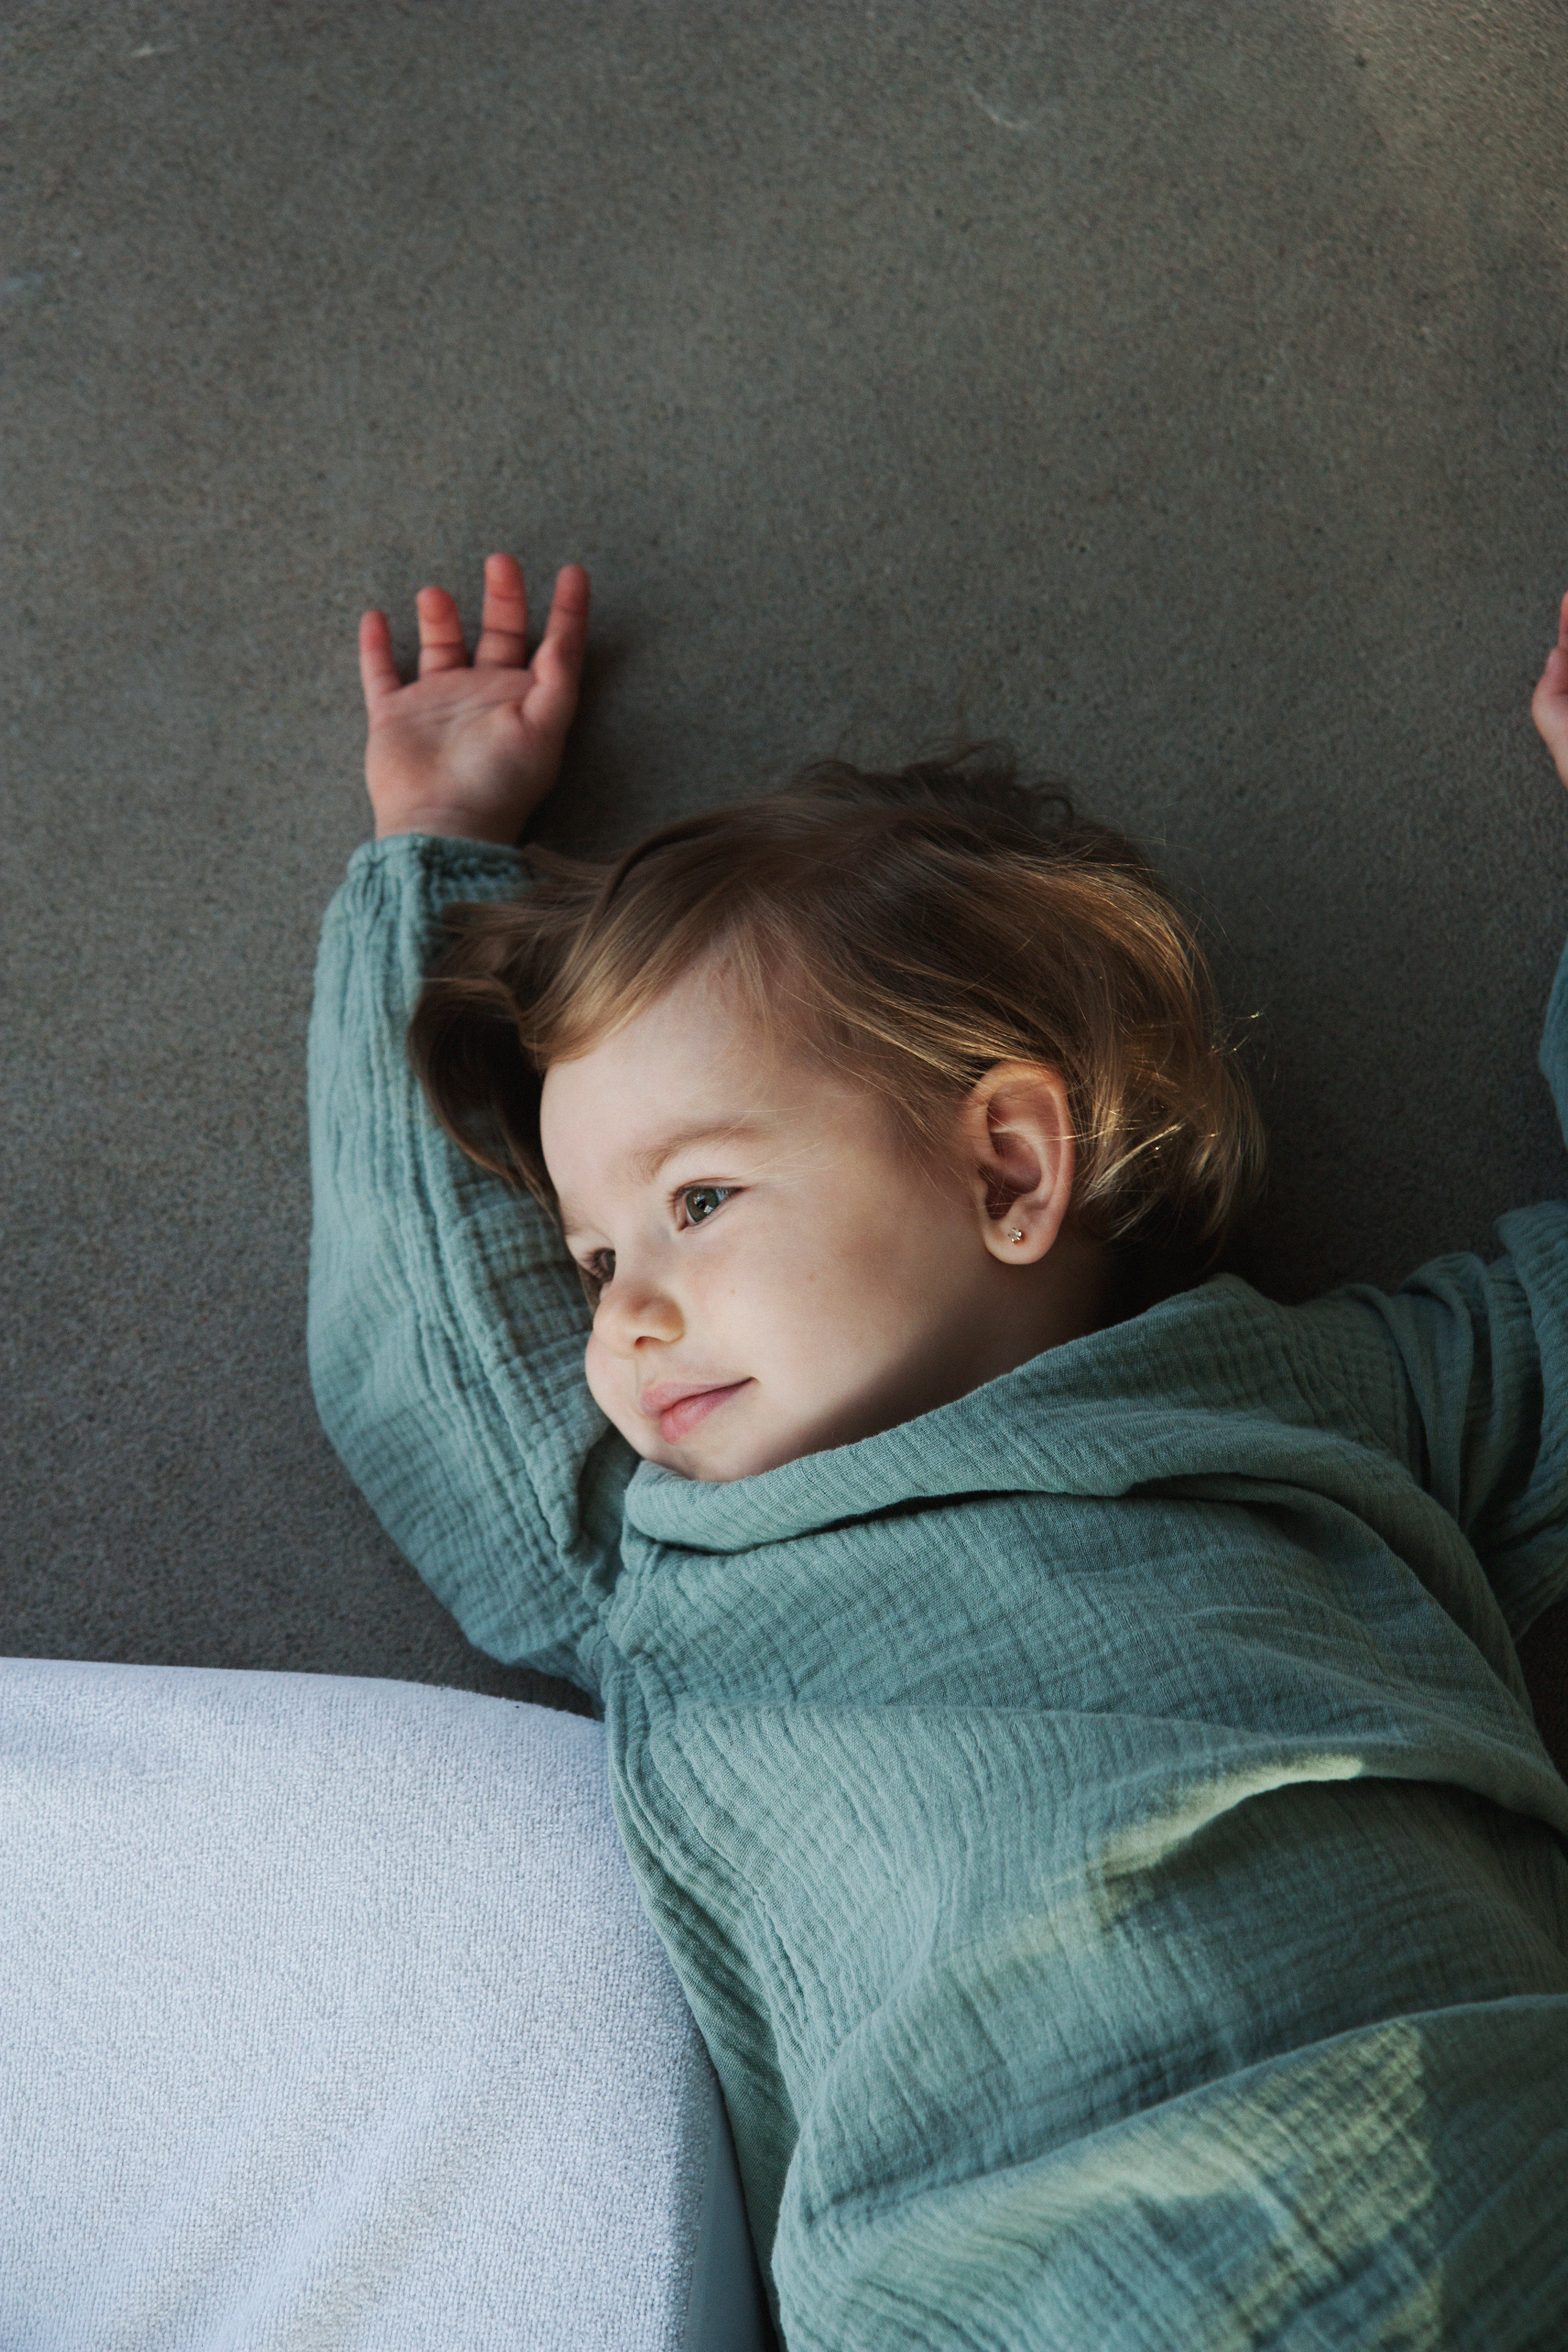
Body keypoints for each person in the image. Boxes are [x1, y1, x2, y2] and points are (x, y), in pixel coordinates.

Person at [309, 552, 1568, 2347]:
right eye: (594, 1259)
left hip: (1460, 2152)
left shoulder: (1318, 1405)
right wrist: (425, 857)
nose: (626, 1313)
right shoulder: (669, 1547)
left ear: (1008, 1170)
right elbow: (428, 1346)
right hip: (1001, 2262)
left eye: (700, 1199)